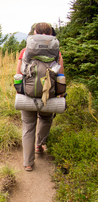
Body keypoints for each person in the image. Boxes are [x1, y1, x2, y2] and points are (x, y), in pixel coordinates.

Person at [16, 22, 64, 171]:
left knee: (28, 127)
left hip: (28, 94)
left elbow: (18, 73)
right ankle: (39, 145)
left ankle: (28, 163)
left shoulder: (25, 51)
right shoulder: (57, 52)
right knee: (46, 118)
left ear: (34, 33)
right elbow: (61, 74)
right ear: (51, 34)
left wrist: (19, 90)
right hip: (48, 94)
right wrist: (60, 91)